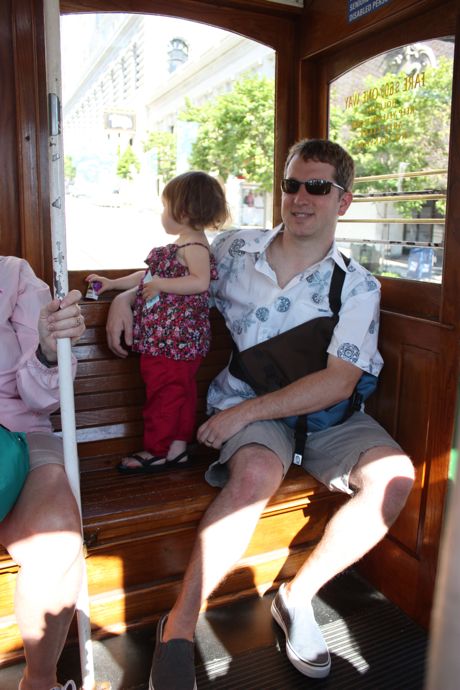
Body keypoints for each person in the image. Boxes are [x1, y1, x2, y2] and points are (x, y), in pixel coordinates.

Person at [106, 139, 415, 689]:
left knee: (395, 478)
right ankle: (177, 628)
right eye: (292, 184)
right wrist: (125, 298)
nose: (300, 197)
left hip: (326, 412)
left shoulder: (358, 286)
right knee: (252, 477)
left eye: (317, 187)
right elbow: (174, 269)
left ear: (342, 201)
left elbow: (337, 380)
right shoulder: (234, 251)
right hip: (255, 408)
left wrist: (242, 412)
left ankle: (298, 597)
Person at [87, 171, 229, 474]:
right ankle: (176, 449)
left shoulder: (195, 247)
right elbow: (148, 277)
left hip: (173, 339)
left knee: (163, 395)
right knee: (179, 393)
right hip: (173, 339)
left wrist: (162, 285)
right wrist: (111, 284)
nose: (163, 214)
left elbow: (200, 282)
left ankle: (157, 450)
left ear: (184, 211)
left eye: (166, 207)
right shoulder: (181, 246)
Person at [0, 255, 86, 690]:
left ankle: (39, 681)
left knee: (57, 537)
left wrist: (50, 351)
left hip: (14, 432)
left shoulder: (13, 277)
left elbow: (38, 398)